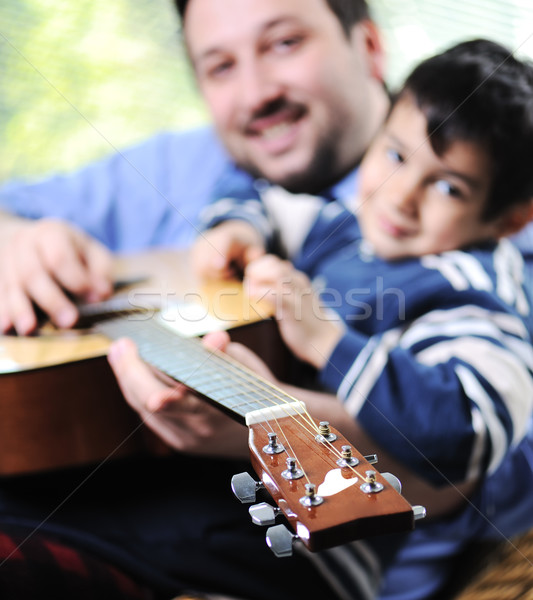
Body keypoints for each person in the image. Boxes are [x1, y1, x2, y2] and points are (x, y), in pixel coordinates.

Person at [109, 37, 533, 600]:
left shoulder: (472, 297)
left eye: (447, 186)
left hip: (313, 550)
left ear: (508, 219)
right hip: (220, 500)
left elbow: (465, 433)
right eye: (397, 155)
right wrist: (235, 232)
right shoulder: (353, 230)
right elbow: (250, 190)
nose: (400, 196)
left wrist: (328, 340)